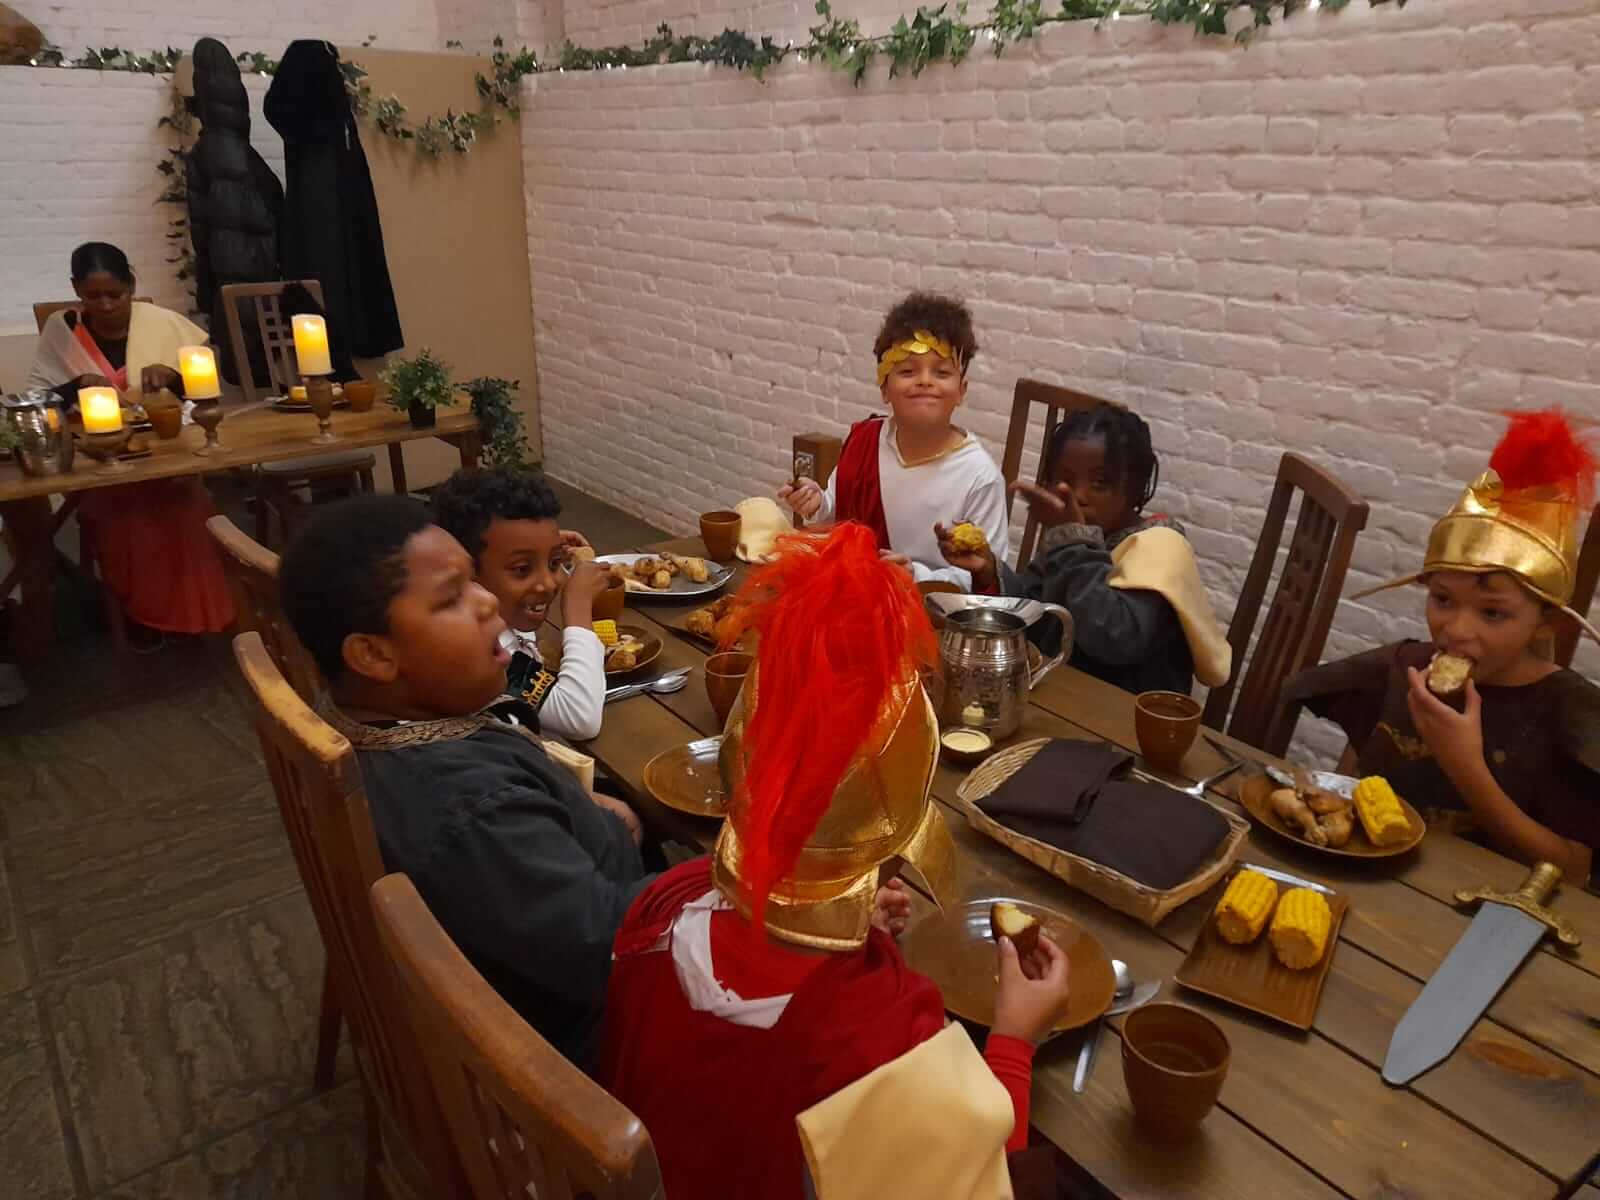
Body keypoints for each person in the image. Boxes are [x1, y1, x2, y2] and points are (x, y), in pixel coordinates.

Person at [601, 524, 1071, 1199]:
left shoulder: (662, 904)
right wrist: (1015, 1042)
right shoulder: (886, 1040)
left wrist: (840, 922)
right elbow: (971, 1175)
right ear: (898, 839)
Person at [278, 495, 653, 1069]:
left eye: (474, 581)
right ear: (373, 654)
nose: (489, 603)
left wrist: (586, 810)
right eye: (453, 596)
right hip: (579, 1028)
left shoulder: (373, 712)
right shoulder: (474, 805)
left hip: (551, 909)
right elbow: (608, 948)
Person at [1286, 408, 1600, 883]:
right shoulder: (1404, 668)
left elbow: (1573, 872)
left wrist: (1465, 766)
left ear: (1546, 623)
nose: (1455, 629)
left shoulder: (1568, 711)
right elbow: (1355, 772)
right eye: (1443, 599)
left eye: (1492, 613)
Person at [938, 402, 1230, 697]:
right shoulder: (1072, 540)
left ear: (1136, 489)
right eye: (1064, 480)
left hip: (1122, 713)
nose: (1079, 495)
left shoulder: (1161, 547)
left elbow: (1114, 639)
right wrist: (989, 572)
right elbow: (1039, 618)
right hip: (1064, 693)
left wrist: (1072, 542)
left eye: (1100, 483)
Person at [26, 242, 234, 641]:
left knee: (189, 507)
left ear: (132, 286)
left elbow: (205, 394)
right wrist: (76, 385)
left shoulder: (162, 323)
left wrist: (173, 376)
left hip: (162, 455)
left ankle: (200, 616)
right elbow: (40, 401)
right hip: (96, 459)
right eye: (92, 296)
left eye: (115, 294)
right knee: (126, 518)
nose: (105, 305)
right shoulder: (62, 329)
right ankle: (143, 617)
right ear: (76, 289)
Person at [779, 293, 1009, 587]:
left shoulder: (980, 476)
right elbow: (838, 517)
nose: (925, 380)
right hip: (859, 594)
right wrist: (816, 504)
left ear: (961, 391)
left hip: (930, 608)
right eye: (908, 371)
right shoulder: (865, 441)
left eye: (941, 372)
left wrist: (917, 577)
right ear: (885, 389)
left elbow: (988, 578)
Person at [431, 467, 609, 741]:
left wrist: (535, 549)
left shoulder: (496, 612)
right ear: (465, 571)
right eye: (522, 569)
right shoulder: (486, 652)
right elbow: (581, 718)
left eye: (554, 563)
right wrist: (578, 608)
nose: (548, 584)